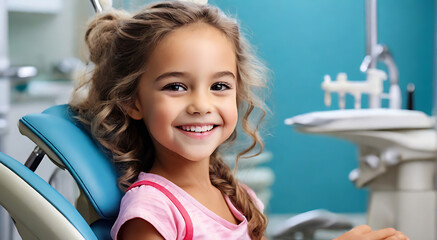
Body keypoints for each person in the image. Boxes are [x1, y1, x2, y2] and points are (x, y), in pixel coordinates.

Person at [71, 1, 409, 239]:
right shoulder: (152, 211)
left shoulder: (235, 197)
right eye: (176, 86)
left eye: (219, 86)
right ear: (133, 102)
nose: (201, 105)